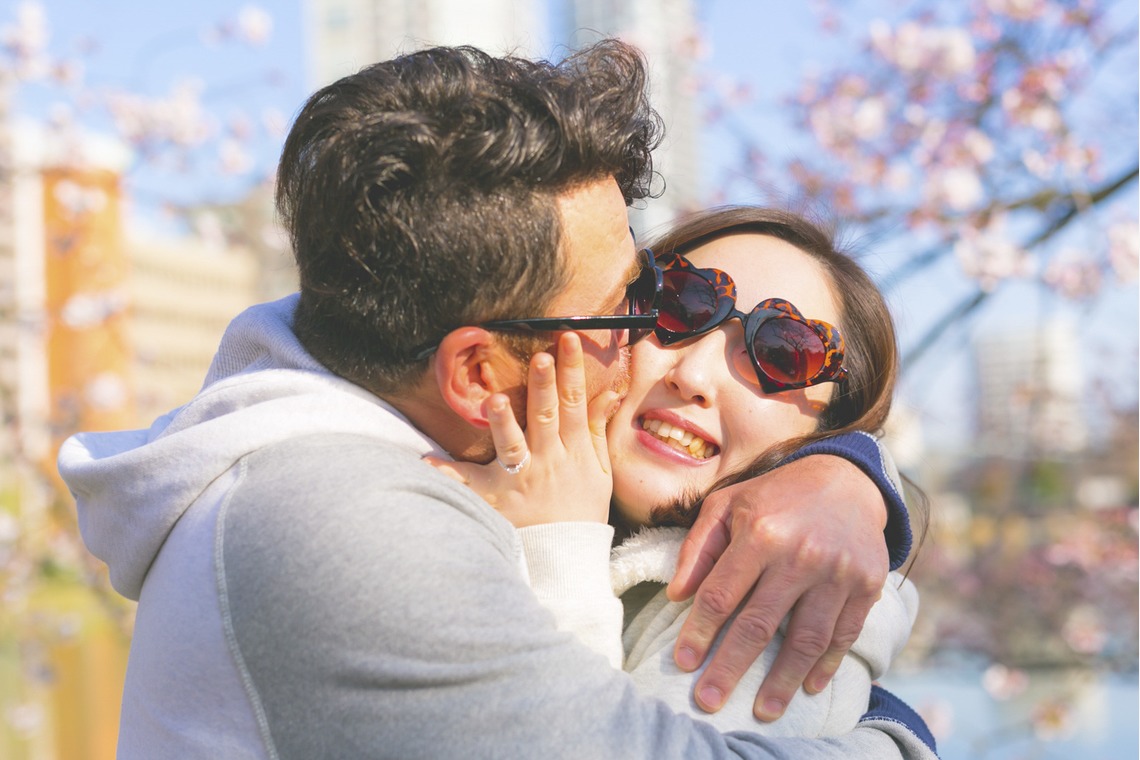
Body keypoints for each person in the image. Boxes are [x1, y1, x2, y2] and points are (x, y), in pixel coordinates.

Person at [58, 41, 935, 757]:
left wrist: (852, 473)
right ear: (477, 374)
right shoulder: (345, 524)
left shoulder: (793, 575)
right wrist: (898, 739)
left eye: (781, 354)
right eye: (670, 302)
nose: (684, 363)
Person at [435, 206, 930, 741]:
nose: (694, 375)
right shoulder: (462, 439)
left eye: (784, 352)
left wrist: (558, 547)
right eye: (681, 303)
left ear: (830, 426)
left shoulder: (794, 591)